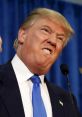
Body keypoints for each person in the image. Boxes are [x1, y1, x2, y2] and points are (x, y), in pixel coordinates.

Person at [0, 8, 81, 117]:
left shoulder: (68, 101)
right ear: (22, 35)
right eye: (46, 30)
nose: (53, 41)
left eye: (60, 38)